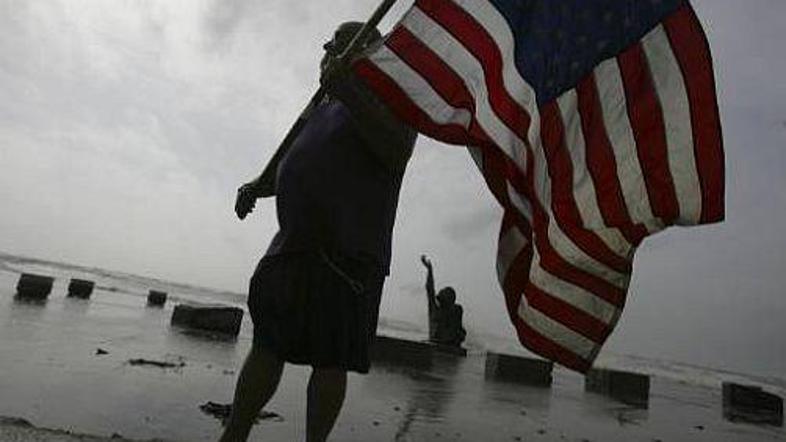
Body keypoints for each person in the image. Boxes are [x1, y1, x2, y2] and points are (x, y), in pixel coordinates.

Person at [219, 21, 416, 442]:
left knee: (331, 357)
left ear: (366, 52)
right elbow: (295, 160)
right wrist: (258, 185)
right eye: (328, 46)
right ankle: (234, 434)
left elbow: (397, 151)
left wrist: (351, 91)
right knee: (268, 343)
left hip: (348, 253)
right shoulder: (322, 103)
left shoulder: (393, 96)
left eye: (338, 45)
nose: (327, 52)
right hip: (292, 245)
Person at [420, 255, 466, 347]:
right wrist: (430, 270)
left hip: (450, 347)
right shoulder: (435, 309)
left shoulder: (456, 311)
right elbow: (430, 289)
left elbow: (460, 333)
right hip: (436, 345)